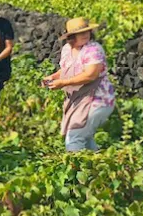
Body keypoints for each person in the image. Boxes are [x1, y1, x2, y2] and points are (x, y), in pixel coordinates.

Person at [43, 17, 115, 152]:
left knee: (74, 137)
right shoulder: (67, 49)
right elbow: (66, 70)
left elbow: (91, 75)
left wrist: (63, 83)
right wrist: (52, 77)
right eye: (80, 33)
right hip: (78, 99)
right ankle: (97, 167)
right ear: (71, 37)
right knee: (86, 139)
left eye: (86, 31)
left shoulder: (93, 49)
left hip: (97, 99)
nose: (85, 35)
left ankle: (76, 170)